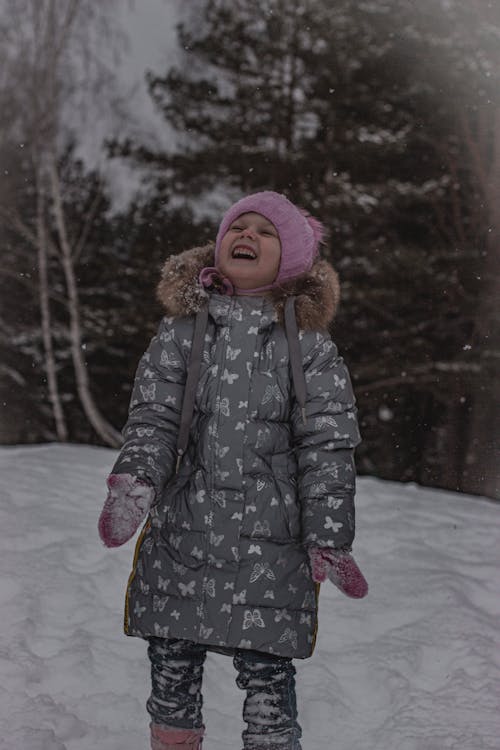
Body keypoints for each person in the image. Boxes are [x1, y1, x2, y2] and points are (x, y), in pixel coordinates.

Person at [98, 191, 368, 750]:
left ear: (291, 258)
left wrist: (329, 535)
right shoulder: (179, 333)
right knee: (170, 666)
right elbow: (154, 417)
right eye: (236, 227)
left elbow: (327, 444)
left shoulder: (312, 348)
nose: (246, 235)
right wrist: (136, 480)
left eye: (265, 231)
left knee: (269, 680)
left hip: (272, 545)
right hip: (183, 533)